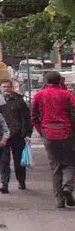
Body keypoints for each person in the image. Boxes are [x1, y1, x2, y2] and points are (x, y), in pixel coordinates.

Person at [31, 71, 75, 208]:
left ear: (46, 81)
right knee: (70, 163)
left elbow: (33, 116)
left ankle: (59, 200)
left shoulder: (39, 95)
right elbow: (73, 114)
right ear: (59, 81)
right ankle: (68, 187)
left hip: (48, 132)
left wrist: (41, 131)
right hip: (66, 132)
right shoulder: (67, 95)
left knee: (55, 166)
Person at [0, 79, 32, 193]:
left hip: (18, 135)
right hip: (3, 136)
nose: (6, 89)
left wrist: (28, 133)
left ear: (11, 87)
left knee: (19, 162)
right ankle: (4, 183)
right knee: (4, 161)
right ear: (0, 88)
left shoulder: (18, 100)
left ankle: (21, 181)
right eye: (4, 87)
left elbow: (27, 118)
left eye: (8, 87)